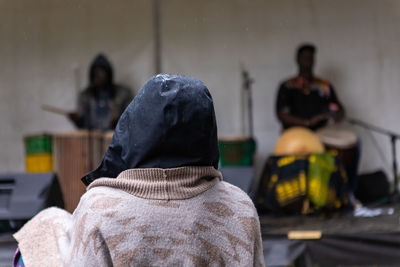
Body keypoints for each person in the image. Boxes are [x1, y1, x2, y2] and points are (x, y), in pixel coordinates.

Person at [13, 74, 265, 266]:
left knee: (45, 227)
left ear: (133, 128)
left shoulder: (99, 208)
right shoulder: (240, 207)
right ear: (207, 131)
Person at [276, 44, 345, 131]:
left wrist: (336, 114)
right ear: (297, 59)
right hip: (294, 133)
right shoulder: (287, 86)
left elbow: (339, 109)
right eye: (304, 57)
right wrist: (307, 122)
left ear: (314, 60)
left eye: (310, 57)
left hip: (321, 132)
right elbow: (281, 114)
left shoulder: (324, 86)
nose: (307, 60)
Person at [68, 54, 133, 130]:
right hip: (92, 140)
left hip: (115, 139)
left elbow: (131, 119)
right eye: (96, 73)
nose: (100, 76)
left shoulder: (123, 93)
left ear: (109, 73)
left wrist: (119, 122)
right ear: (92, 75)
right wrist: (77, 120)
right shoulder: (85, 96)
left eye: (103, 72)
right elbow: (83, 126)